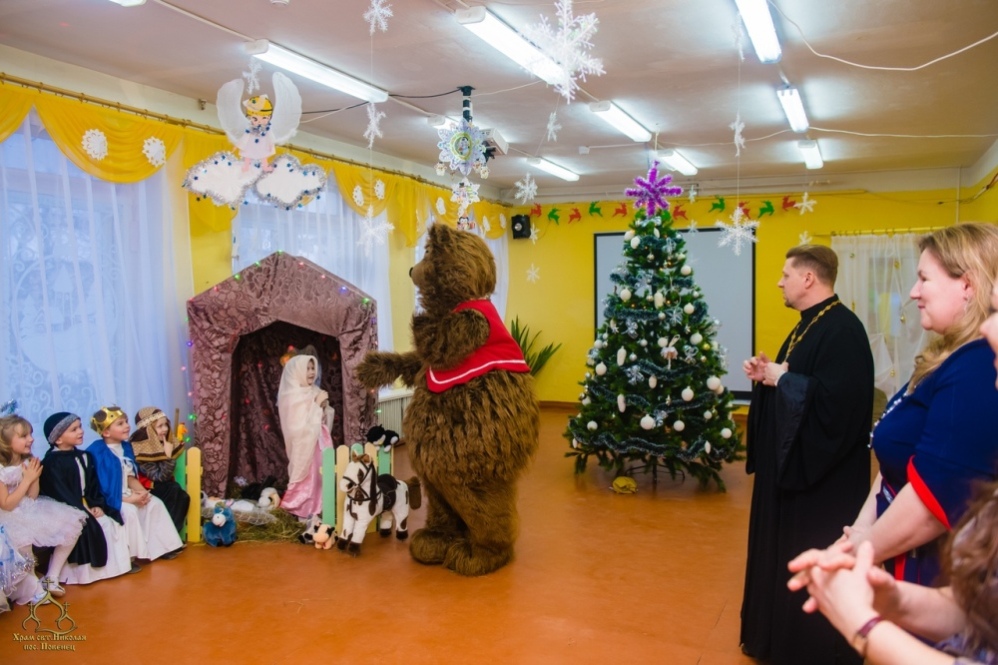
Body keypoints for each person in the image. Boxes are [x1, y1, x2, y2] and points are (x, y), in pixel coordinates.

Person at [786, 264, 998, 664]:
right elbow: (983, 617)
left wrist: (864, 626)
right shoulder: (947, 359)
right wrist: (893, 599)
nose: (988, 329)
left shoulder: (970, 367)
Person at [818, 223, 998, 586]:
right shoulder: (944, 357)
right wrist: (862, 529)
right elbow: (897, 454)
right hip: (903, 557)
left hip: (938, 574)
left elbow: (934, 497)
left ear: (967, 285)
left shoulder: (978, 365)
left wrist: (857, 553)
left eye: (924, 279)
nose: (914, 292)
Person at [739, 244, 875, 665]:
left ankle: (807, 649)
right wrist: (771, 378)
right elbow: (802, 384)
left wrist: (784, 380)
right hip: (793, 471)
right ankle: (773, 637)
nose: (779, 282)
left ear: (809, 278)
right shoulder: (809, 325)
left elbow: (838, 408)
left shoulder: (843, 331)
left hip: (822, 482)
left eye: (786, 275)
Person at [39, 412, 134, 583]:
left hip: (86, 504)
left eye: (80, 427)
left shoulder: (84, 456)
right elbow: (60, 493)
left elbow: (92, 485)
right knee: (88, 526)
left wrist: (96, 504)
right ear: (58, 439)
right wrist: (83, 509)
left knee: (110, 521)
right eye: (74, 429)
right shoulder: (51, 463)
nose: (80, 431)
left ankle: (111, 569)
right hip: (67, 508)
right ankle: (76, 575)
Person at [0, 414, 87, 600]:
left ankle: (52, 576)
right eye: (24, 436)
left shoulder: (27, 461)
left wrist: (34, 478)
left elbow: (32, 496)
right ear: (5, 442)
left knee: (72, 521)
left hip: (27, 507)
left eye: (31, 434)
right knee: (23, 540)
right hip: (7, 514)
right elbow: (6, 504)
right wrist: (28, 479)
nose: (31, 439)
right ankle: (32, 585)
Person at [87, 406, 184, 562]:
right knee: (130, 511)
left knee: (155, 503)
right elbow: (102, 486)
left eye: (126, 422)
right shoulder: (97, 452)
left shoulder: (126, 447)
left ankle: (161, 548)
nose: (127, 426)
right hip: (110, 498)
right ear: (106, 432)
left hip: (127, 491)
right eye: (120, 424)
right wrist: (128, 499)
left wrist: (143, 493)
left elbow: (130, 476)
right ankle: (130, 558)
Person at [277, 353, 335, 521]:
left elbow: (323, 418)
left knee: (320, 475)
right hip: (305, 445)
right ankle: (302, 510)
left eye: (312, 368)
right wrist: (316, 405)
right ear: (297, 372)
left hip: (319, 442)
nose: (311, 372)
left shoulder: (314, 391)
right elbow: (297, 427)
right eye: (307, 369)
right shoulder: (292, 396)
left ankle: (318, 508)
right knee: (308, 476)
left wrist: (324, 408)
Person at [129, 407, 190, 533]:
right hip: (147, 488)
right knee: (173, 490)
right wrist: (167, 457)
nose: (165, 429)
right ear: (148, 429)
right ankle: (166, 534)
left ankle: (171, 533)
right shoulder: (142, 448)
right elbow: (159, 477)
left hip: (164, 486)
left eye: (165, 425)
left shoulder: (160, 443)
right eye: (160, 426)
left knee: (183, 497)